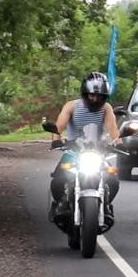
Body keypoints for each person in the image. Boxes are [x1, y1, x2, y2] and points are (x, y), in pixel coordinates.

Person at [49, 72, 122, 221]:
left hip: (97, 151)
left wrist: (119, 143)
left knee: (113, 180)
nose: (95, 99)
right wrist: (56, 139)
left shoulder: (106, 108)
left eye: (99, 96)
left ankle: (105, 206)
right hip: (74, 151)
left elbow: (112, 128)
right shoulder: (71, 106)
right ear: (84, 93)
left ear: (105, 96)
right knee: (58, 179)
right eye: (91, 95)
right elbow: (59, 126)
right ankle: (61, 204)